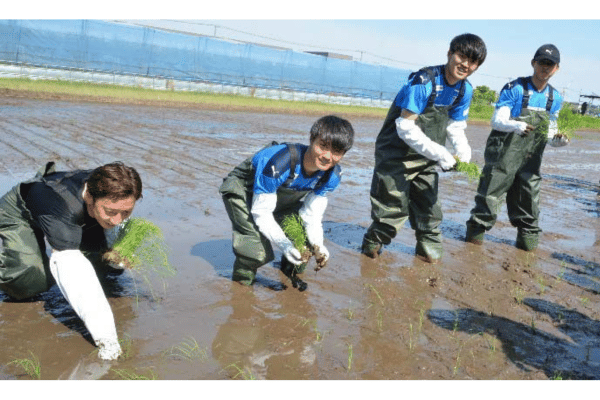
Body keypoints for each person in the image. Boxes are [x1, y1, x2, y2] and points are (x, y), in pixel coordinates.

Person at [361, 33, 487, 263]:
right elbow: (405, 126)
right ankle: (370, 249)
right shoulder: (425, 81)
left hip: (425, 158)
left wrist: (463, 151)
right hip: (396, 154)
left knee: (429, 210)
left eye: (473, 62)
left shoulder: (464, 90)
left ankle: (429, 253)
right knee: (390, 211)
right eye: (462, 56)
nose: (465, 65)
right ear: (450, 54)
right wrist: (440, 153)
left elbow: (455, 126)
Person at [0, 161, 143, 360]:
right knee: (30, 282)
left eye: (126, 212)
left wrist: (116, 250)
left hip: (78, 214)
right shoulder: (61, 208)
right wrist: (107, 341)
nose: (118, 219)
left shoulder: (109, 185)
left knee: (108, 265)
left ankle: (89, 234)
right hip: (23, 211)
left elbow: (117, 220)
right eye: (111, 212)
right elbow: (74, 273)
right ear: (90, 197)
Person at [219, 115, 354, 290]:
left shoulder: (331, 176)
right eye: (323, 146)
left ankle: (288, 273)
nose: (328, 156)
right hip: (246, 192)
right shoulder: (279, 162)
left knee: (304, 247)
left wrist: (319, 245)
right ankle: (241, 285)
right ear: (312, 140)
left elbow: (311, 216)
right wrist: (283, 244)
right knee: (255, 251)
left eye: (337, 152)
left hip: (281, 201)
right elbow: (262, 212)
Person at [465, 44, 568, 251]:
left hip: (530, 160)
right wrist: (516, 125)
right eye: (542, 62)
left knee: (529, 201)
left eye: (550, 64)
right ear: (534, 63)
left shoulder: (554, 98)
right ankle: (473, 244)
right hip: (503, 154)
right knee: (489, 197)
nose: (545, 67)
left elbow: (549, 133)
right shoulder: (516, 88)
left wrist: (558, 140)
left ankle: (527, 247)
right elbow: (497, 120)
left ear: (556, 68)